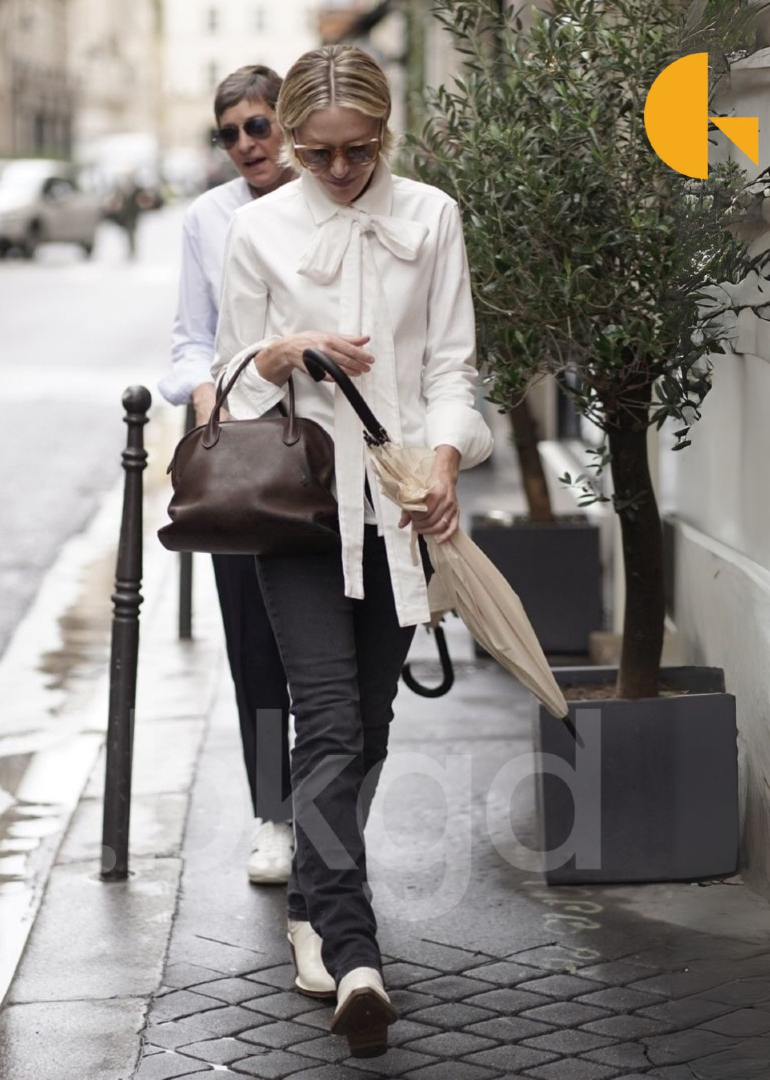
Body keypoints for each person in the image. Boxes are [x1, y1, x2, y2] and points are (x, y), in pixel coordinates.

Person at [211, 45, 494, 1056]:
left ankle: (314, 902)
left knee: (367, 730)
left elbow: (455, 366)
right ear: (289, 140)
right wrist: (280, 352)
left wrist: (449, 458)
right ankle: (354, 950)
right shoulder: (257, 229)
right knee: (328, 724)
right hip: (300, 518)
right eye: (318, 152)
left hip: (401, 518)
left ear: (386, 134)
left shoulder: (432, 217)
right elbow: (237, 388)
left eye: (357, 151)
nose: (338, 171)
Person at [158, 67, 304, 909]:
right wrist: (201, 386)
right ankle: (273, 814)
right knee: (252, 641)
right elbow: (186, 340)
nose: (248, 145)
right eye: (231, 134)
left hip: (325, 450)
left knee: (328, 639)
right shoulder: (206, 219)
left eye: (259, 126)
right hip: (242, 456)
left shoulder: (328, 197)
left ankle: (329, 808)